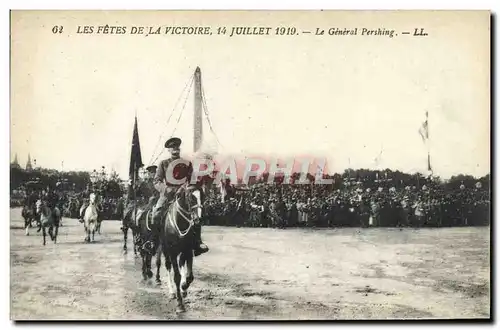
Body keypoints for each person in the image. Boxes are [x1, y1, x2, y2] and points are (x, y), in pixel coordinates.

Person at [152, 137, 209, 256]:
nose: (175, 150)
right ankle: (154, 242)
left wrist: (187, 188)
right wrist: (166, 189)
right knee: (156, 213)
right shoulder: (163, 163)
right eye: (173, 148)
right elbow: (156, 181)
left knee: (196, 214)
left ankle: (197, 243)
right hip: (167, 195)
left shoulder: (187, 164)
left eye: (177, 147)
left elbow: (192, 181)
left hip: (184, 195)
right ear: (169, 150)